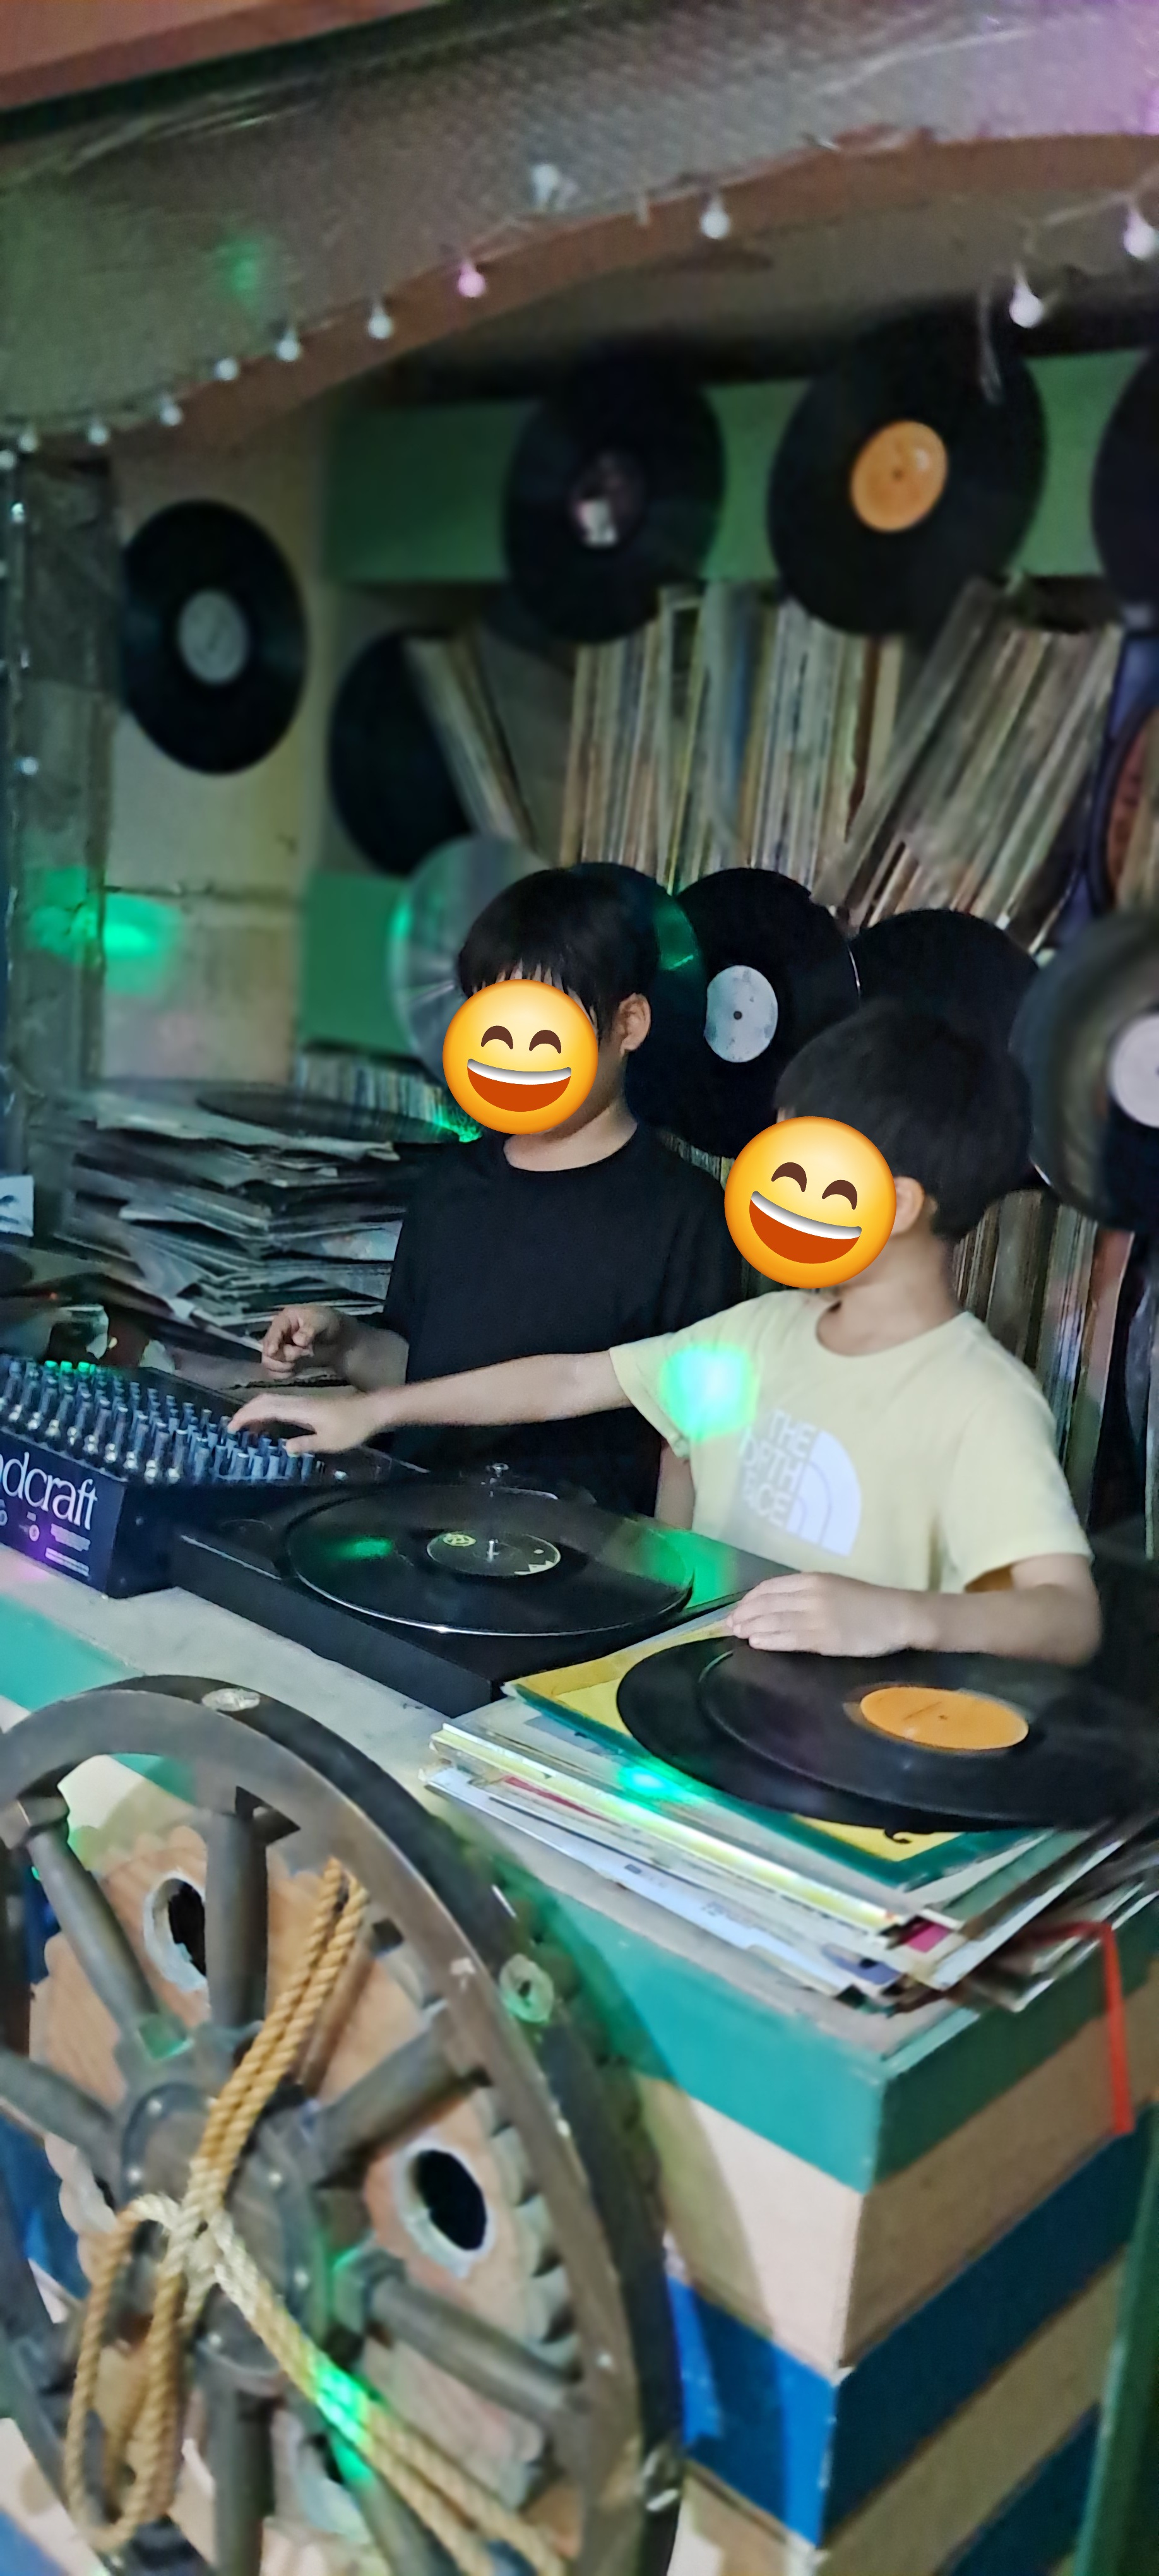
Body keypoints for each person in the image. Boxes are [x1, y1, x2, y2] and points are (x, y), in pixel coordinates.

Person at [236, 1001, 1100, 1665]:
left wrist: (904, 1615)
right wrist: (373, 1411)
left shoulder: (979, 1400)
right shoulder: (757, 1335)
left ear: (899, 1204)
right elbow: (570, 1381)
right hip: (698, 1708)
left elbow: (1067, 1615)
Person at [258, 868, 740, 1515]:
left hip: (580, 1558)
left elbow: (690, 1435)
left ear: (628, 1024)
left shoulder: (687, 1216)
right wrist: (345, 1344)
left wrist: (673, 1567)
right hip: (413, 1531)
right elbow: (421, 1373)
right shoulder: (449, 1186)